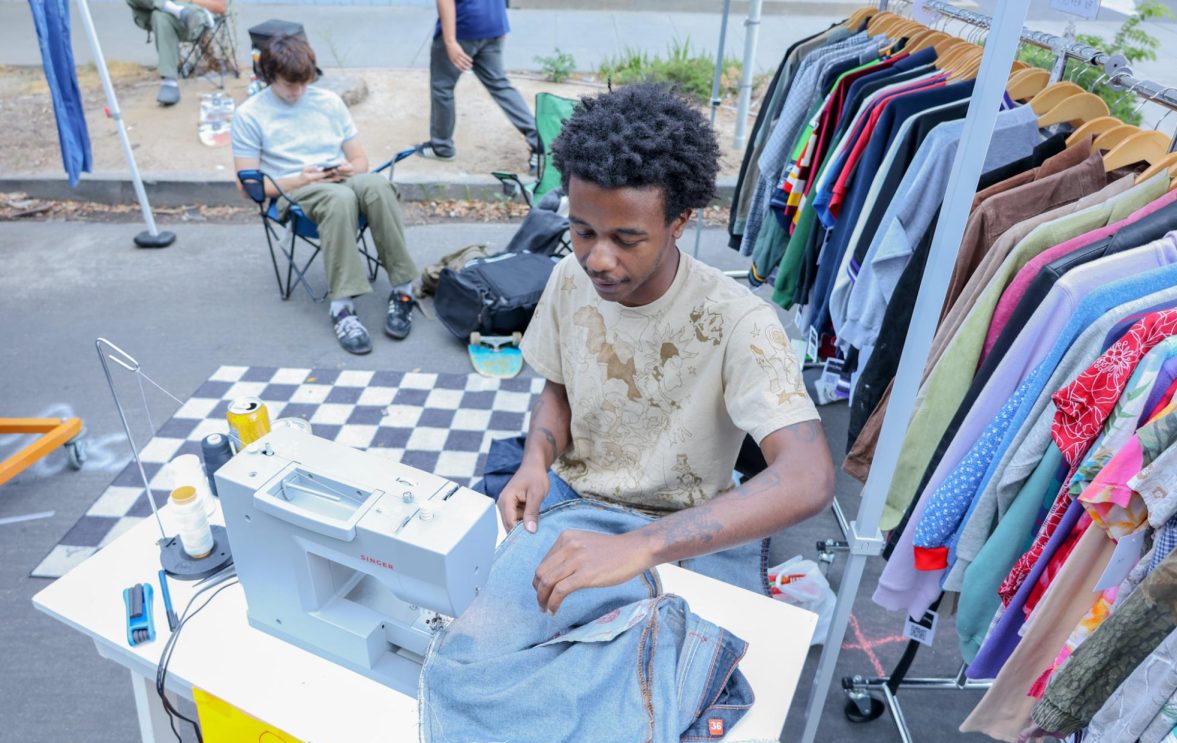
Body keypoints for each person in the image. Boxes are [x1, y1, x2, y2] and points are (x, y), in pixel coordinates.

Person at [496, 83, 836, 614]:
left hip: (685, 529)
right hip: (573, 502)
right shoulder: (568, 277)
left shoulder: (740, 322)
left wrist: (641, 545)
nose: (598, 260)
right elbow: (559, 390)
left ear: (678, 222)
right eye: (583, 232)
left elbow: (808, 477)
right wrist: (534, 461)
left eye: (627, 239)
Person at [231, 34, 420, 355]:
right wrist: (298, 180)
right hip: (295, 193)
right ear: (268, 76)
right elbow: (247, 187)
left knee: (376, 185)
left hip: (337, 179)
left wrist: (348, 169)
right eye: (290, 85)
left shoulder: (329, 102)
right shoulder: (250, 114)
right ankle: (342, 308)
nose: (299, 91)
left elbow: (361, 161)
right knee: (340, 199)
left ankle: (403, 289)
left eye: (305, 83)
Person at [417, 0, 539, 170]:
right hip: (493, 23)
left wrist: (450, 42)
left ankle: (441, 147)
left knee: (442, 87)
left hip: (464, 26)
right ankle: (538, 141)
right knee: (500, 85)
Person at [125, 0, 227, 106]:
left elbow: (220, 7)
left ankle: (169, 82)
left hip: (195, 20)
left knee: (159, 14)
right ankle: (171, 7)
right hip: (165, 18)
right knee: (159, 15)